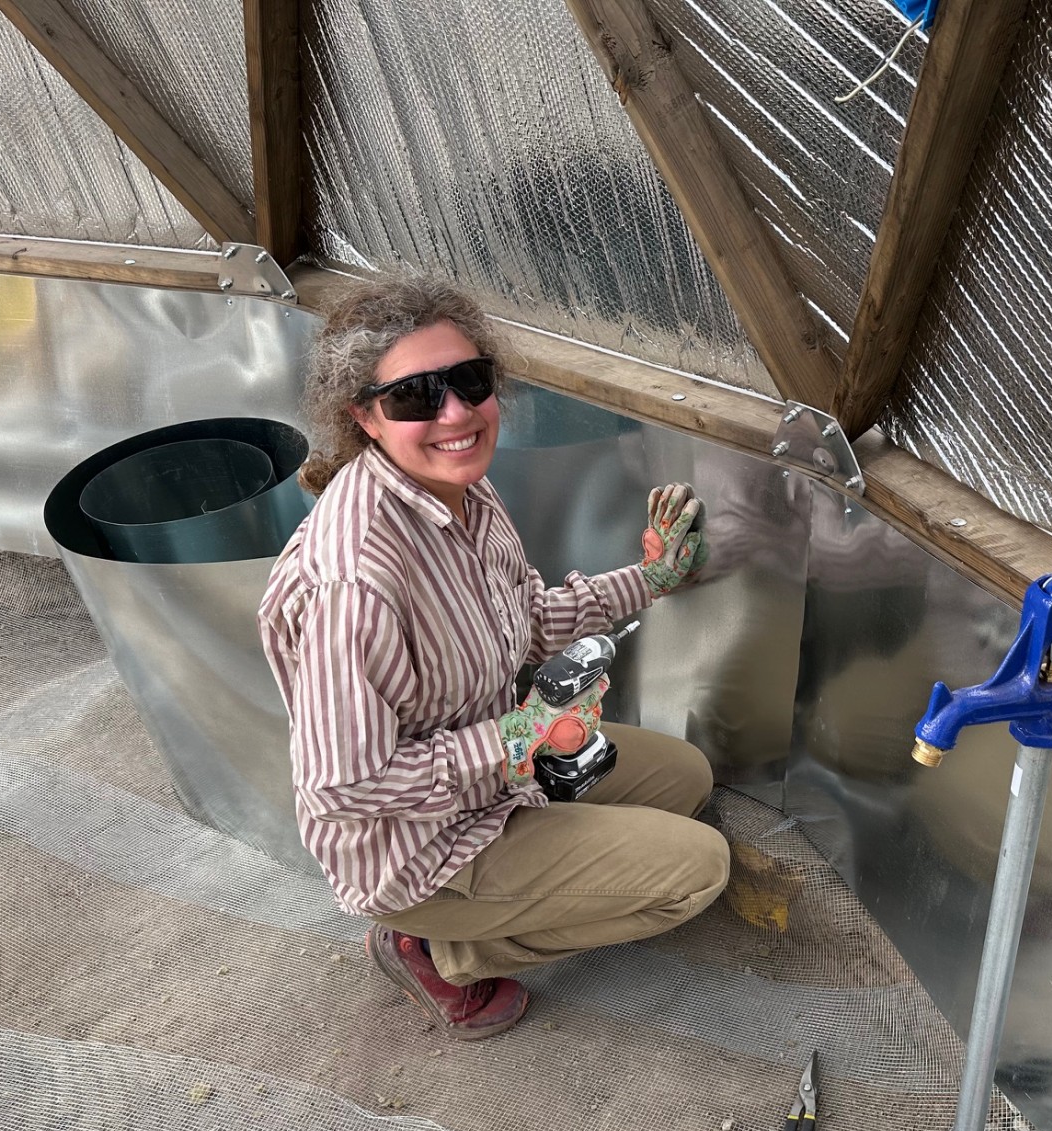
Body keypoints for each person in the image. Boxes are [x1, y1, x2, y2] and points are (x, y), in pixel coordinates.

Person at [258, 274, 731, 1039]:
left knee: (687, 780)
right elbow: (343, 786)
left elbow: (526, 620)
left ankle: (503, 878)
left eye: (470, 382)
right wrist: (515, 739)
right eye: (415, 398)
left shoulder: (464, 496)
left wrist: (652, 579)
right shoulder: (357, 584)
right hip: (418, 845)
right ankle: (441, 946)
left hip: (496, 775)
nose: (454, 413)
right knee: (697, 871)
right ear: (365, 419)